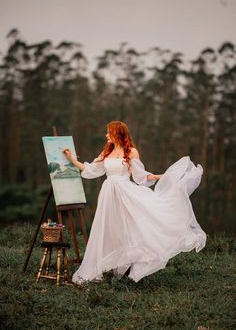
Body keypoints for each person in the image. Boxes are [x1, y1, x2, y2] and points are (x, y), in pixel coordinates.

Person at [63, 121, 206, 284]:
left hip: (126, 193)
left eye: (109, 132)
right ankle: (106, 266)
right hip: (109, 194)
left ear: (118, 133)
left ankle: (128, 264)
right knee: (109, 228)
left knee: (129, 227)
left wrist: (163, 177)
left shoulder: (131, 152)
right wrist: (71, 159)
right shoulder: (106, 152)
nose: (106, 135)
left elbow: (141, 176)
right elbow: (91, 170)